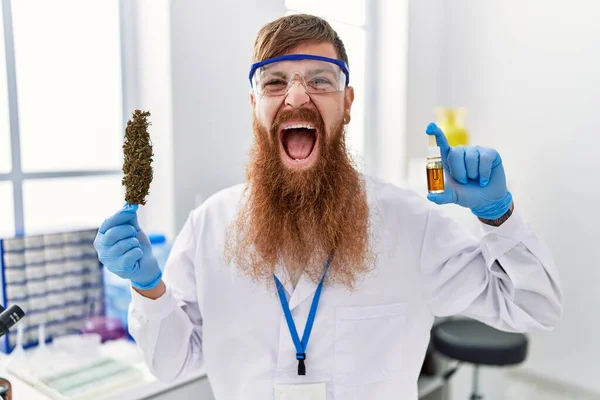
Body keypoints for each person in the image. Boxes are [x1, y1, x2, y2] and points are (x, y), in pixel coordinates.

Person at [93, 14, 562, 400]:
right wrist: (148, 288)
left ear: (348, 103)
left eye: (321, 79)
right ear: (254, 102)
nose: (297, 96)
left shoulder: (411, 226)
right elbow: (171, 361)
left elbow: (535, 306)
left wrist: (498, 215)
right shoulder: (208, 226)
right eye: (275, 82)